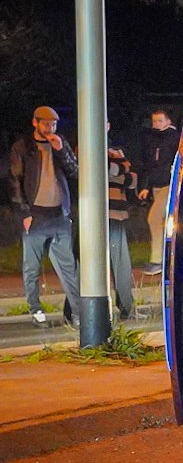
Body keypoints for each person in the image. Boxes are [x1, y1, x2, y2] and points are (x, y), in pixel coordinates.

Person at [7, 106, 84, 326]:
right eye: (46, 124)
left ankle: (78, 314)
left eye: (54, 124)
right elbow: (14, 181)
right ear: (35, 123)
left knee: (69, 268)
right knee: (31, 267)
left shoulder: (60, 142)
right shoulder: (22, 147)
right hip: (36, 216)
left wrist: (61, 150)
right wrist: (24, 212)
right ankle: (36, 310)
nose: (50, 128)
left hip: (60, 215)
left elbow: (75, 172)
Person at [106, 121, 144, 320]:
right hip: (102, 215)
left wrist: (121, 170)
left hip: (117, 213)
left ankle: (126, 307)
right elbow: (113, 170)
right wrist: (122, 169)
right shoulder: (85, 147)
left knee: (121, 262)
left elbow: (130, 177)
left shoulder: (117, 150)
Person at [136, 107, 178, 274]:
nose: (156, 124)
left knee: (154, 218)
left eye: (160, 121)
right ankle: (167, 259)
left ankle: (157, 260)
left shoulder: (174, 138)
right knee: (164, 223)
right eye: (154, 121)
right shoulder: (152, 140)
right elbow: (149, 165)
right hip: (156, 186)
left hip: (169, 184)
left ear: (168, 122)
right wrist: (145, 186)